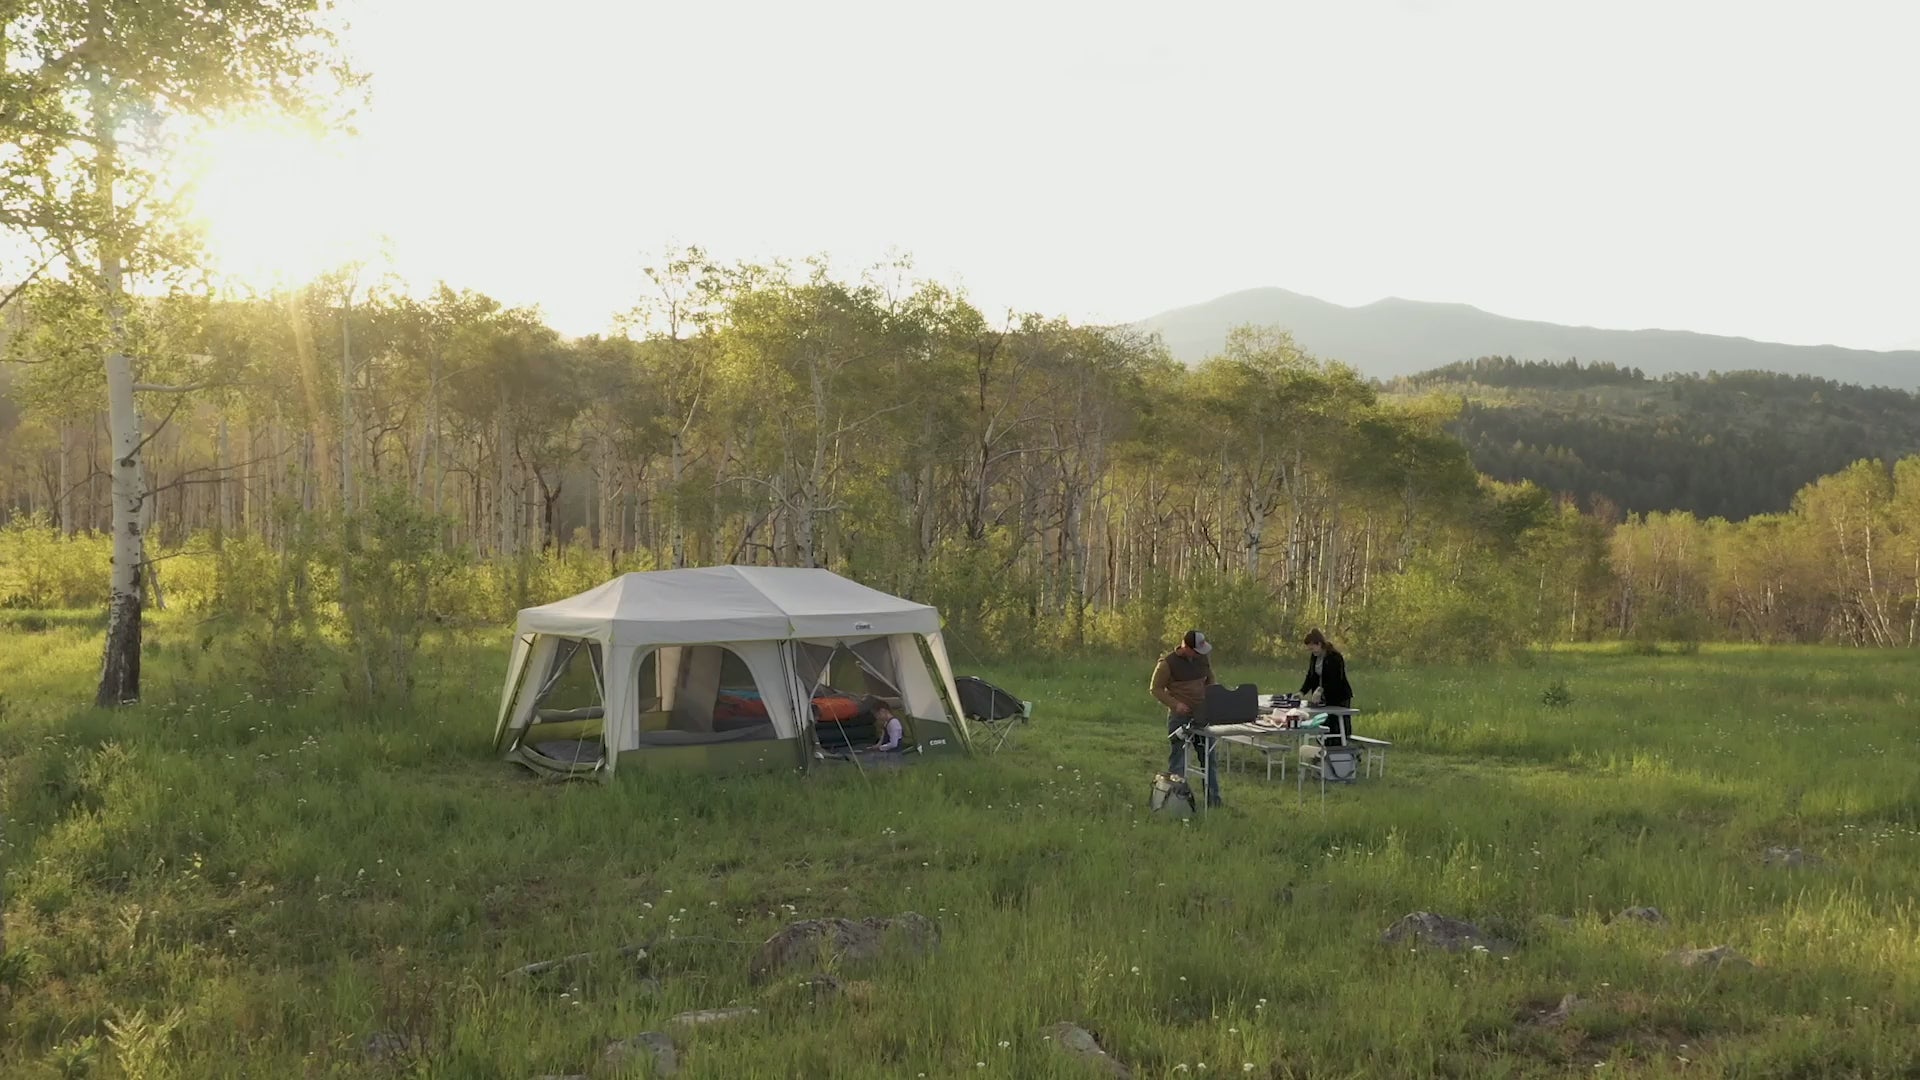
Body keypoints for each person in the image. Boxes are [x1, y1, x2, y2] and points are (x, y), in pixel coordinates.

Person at [1149, 629, 1222, 807]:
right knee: (1178, 761)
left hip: (1203, 715)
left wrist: (1213, 695)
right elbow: (1155, 689)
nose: (1200, 654)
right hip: (1180, 718)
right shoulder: (1167, 664)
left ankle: (1213, 801)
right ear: (1186, 647)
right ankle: (1177, 802)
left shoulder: (1202, 658)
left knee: (1209, 759)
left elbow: (1210, 679)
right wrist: (1175, 705)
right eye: (1196, 651)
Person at [1299, 629, 1353, 743]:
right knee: (1323, 723)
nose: (1311, 651)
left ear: (1319, 644)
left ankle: (1341, 751)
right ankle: (1323, 752)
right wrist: (1302, 692)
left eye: (1312, 648)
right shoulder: (1314, 657)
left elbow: (1336, 679)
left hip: (1339, 697)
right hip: (1325, 698)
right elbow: (1311, 676)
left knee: (1337, 726)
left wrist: (1321, 690)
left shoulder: (1335, 657)